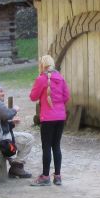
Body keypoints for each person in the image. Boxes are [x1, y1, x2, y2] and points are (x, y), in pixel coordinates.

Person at [28, 54, 70, 186]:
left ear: (42, 65)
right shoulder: (61, 78)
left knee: (46, 146)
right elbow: (66, 97)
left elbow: (33, 97)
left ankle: (45, 176)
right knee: (56, 146)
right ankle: (57, 176)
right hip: (60, 117)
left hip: (47, 118)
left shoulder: (41, 79)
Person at [0, 82, 33, 179]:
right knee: (29, 139)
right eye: (0, 91)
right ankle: (16, 167)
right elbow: (6, 115)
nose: (3, 93)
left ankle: (15, 167)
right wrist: (14, 110)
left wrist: (11, 122)